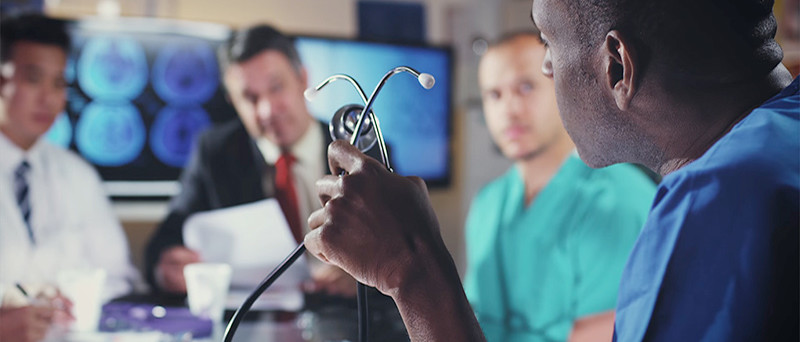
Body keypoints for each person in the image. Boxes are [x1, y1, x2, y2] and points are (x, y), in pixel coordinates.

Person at [304, 0, 799, 340]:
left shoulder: (714, 205)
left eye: (548, 41)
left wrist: (410, 266)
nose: (546, 69)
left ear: (617, 67)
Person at [144, 24, 379, 297]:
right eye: (249, 97)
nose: (267, 110)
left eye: (276, 88)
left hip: (347, 317)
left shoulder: (362, 149)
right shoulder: (215, 152)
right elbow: (162, 245)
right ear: (232, 101)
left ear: (303, 79)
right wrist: (166, 267)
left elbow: (403, 252)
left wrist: (365, 281)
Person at [464, 32, 655, 342]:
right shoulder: (488, 204)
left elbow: (611, 331)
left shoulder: (619, 200)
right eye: (494, 95)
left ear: (564, 87)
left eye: (525, 88)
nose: (509, 110)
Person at [0, 13, 138, 341]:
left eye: (59, 83)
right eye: (33, 79)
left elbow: (120, 279)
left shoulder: (79, 176)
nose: (48, 98)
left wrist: (73, 296)